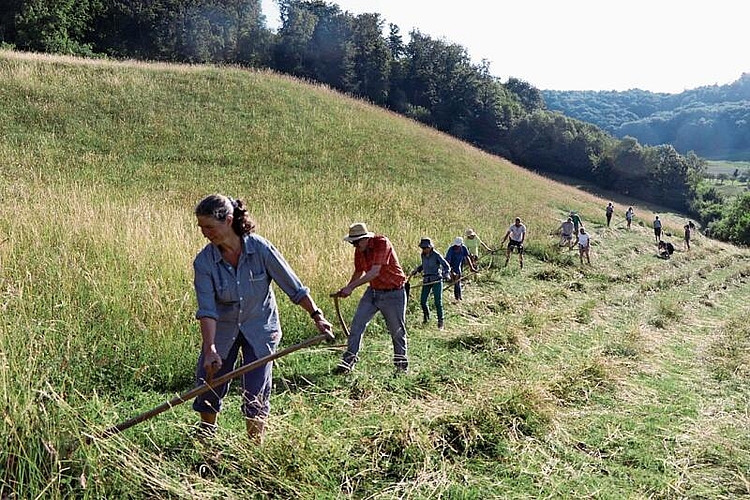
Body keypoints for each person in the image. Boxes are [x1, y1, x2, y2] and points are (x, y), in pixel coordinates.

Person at [191, 194, 332, 442]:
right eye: (201, 227)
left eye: (209, 226)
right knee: (209, 382)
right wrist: (210, 348)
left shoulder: (260, 249)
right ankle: (207, 436)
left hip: (260, 327)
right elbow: (207, 309)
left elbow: (294, 287)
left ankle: (254, 446)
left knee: (256, 389)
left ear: (229, 220)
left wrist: (316, 316)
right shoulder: (205, 262)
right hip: (222, 329)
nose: (205, 233)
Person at [334, 223, 409, 375]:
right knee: (356, 326)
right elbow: (359, 271)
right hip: (373, 292)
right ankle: (347, 363)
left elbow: (375, 272)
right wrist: (347, 288)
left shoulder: (382, 243)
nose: (354, 245)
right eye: (352, 242)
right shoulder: (360, 250)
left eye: (355, 242)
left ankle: (401, 367)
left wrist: (352, 287)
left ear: (365, 239)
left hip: (393, 293)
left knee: (397, 331)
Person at [410, 238, 451, 329]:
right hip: (426, 280)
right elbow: (424, 265)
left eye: (425, 248)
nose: (424, 249)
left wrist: (446, 274)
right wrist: (417, 270)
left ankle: (440, 322)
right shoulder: (423, 255)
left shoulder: (436, 255)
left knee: (438, 302)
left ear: (430, 247)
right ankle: (426, 318)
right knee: (423, 301)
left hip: (436, 279)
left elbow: (446, 265)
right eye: (422, 248)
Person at [445, 236, 478, 301]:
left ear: (461, 244)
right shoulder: (451, 249)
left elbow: (467, 257)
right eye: (456, 246)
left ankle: (459, 297)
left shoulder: (463, 248)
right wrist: (451, 272)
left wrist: (471, 267)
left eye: (458, 246)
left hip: (459, 265)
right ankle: (457, 297)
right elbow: (447, 262)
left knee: (458, 282)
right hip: (451, 266)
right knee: (456, 282)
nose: (457, 247)